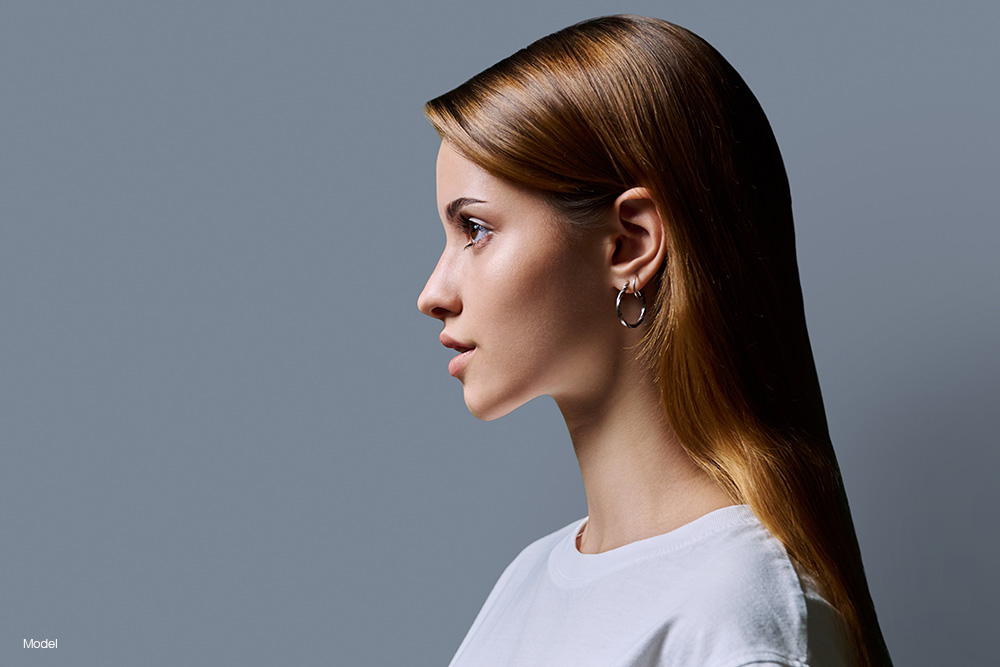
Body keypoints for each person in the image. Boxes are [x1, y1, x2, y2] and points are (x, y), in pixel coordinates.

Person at [416, 15, 893, 667]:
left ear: (630, 243)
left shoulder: (736, 613)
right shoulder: (527, 582)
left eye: (475, 228)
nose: (433, 292)